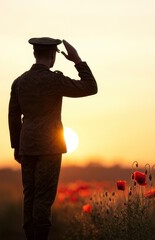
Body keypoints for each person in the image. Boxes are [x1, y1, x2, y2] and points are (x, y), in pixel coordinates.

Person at [8, 37, 98, 240]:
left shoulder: (19, 82)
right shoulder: (55, 80)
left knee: (29, 196)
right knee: (43, 199)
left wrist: (17, 146)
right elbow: (90, 87)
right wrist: (77, 60)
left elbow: (13, 116)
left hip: (27, 146)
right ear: (52, 56)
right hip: (50, 146)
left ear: (34, 54)